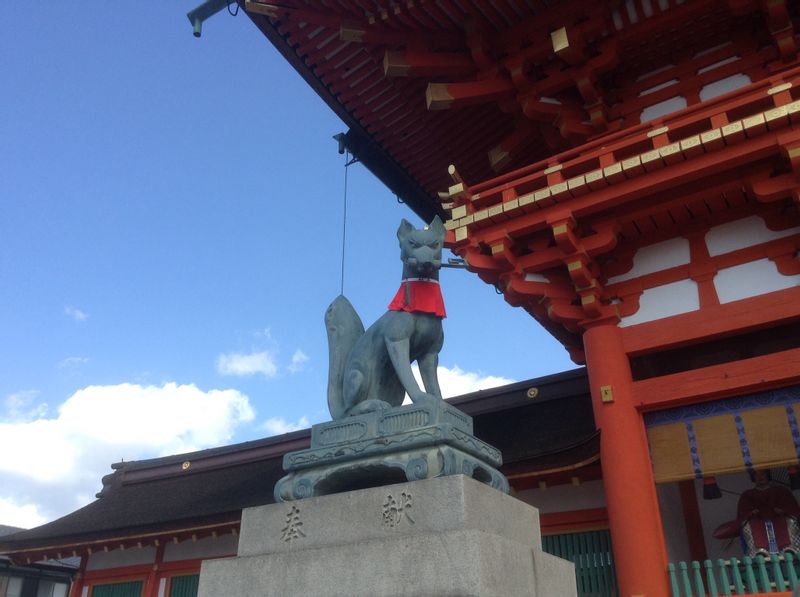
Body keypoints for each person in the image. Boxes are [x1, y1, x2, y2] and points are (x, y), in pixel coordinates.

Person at [737, 470, 800, 556]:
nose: (760, 477)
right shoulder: (748, 494)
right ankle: (759, 550)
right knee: (749, 525)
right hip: (758, 521)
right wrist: (751, 512)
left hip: (779, 519)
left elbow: (792, 508)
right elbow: (743, 513)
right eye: (756, 475)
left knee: (790, 521)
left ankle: (789, 547)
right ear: (753, 478)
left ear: (768, 475)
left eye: (762, 474)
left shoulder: (781, 490)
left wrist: (782, 510)